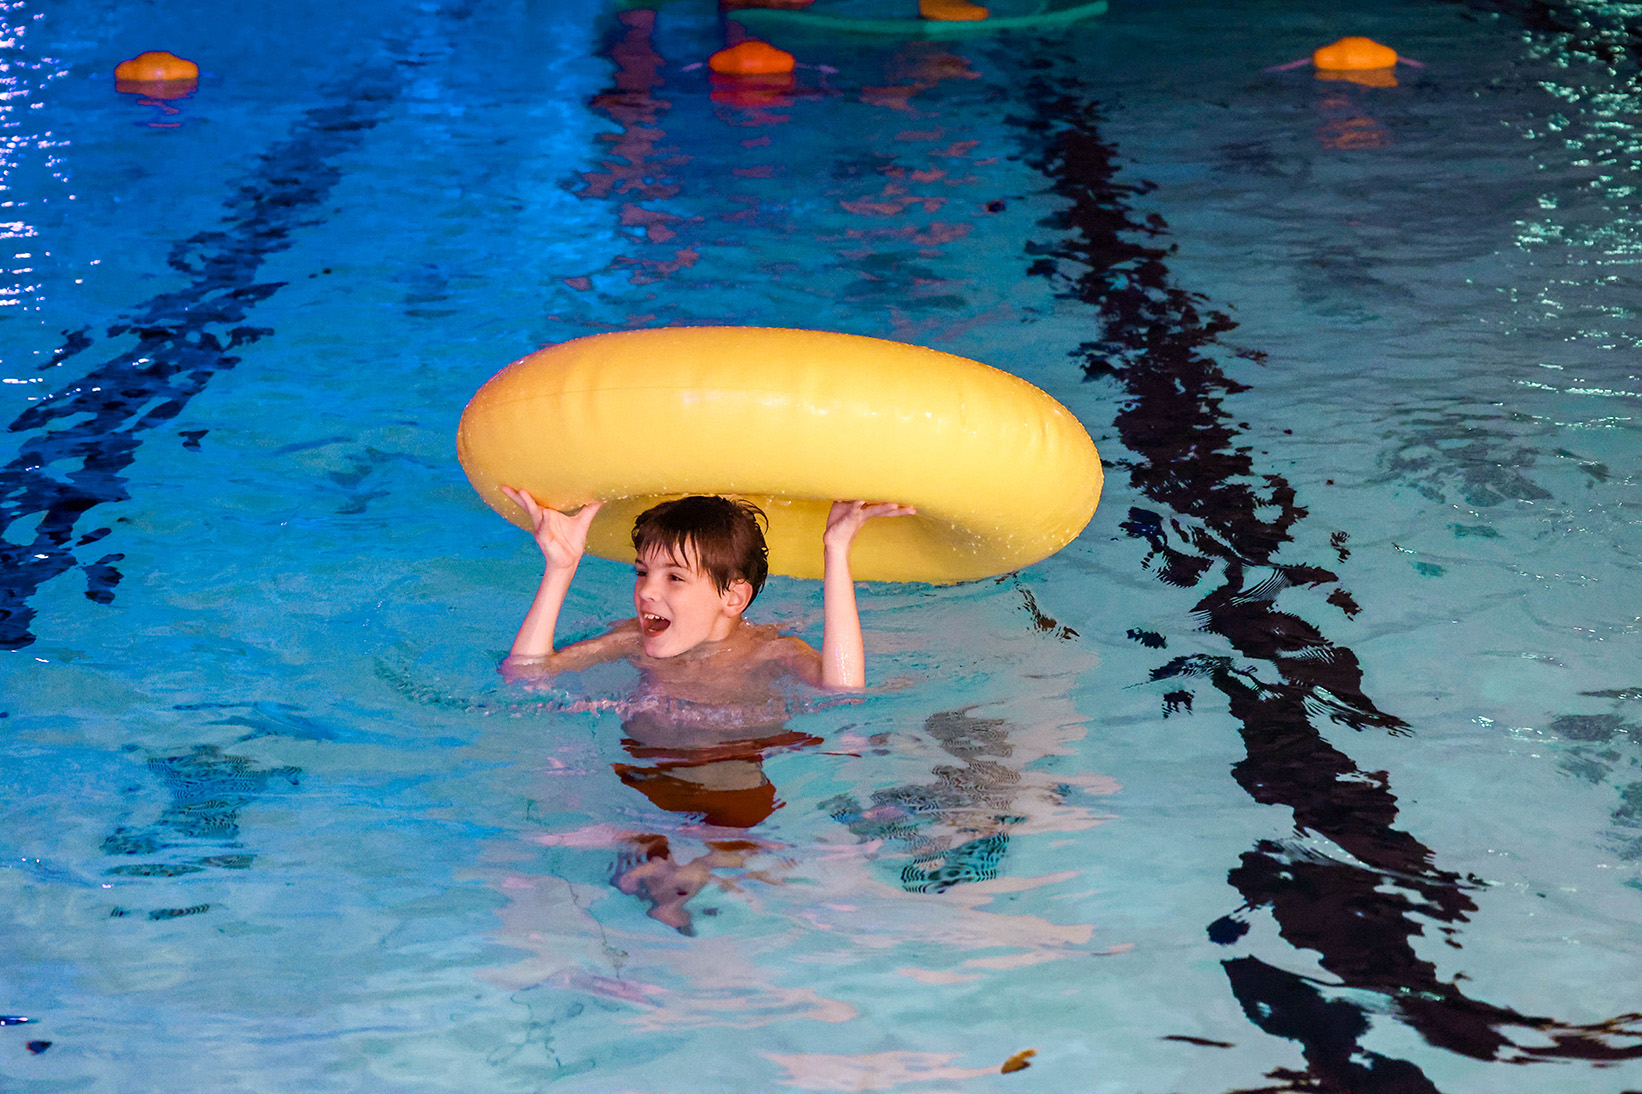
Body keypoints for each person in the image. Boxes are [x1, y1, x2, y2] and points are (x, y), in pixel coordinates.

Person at [499, 489, 914, 692]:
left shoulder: (771, 652)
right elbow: (525, 675)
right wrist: (560, 568)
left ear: (733, 598)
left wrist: (836, 550)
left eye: (674, 577)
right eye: (642, 572)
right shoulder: (629, 640)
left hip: (734, 780)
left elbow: (843, 690)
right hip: (641, 772)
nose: (646, 592)